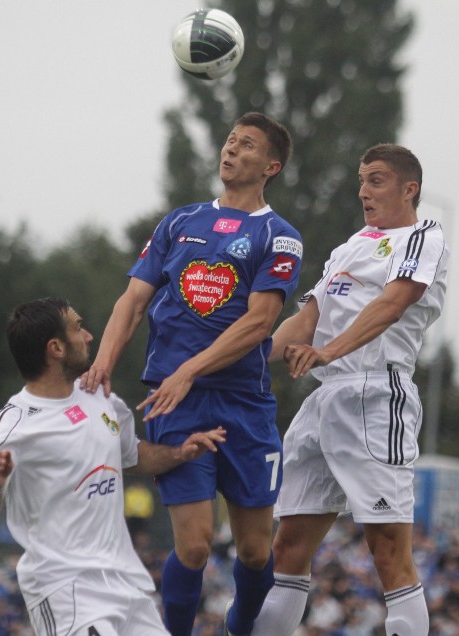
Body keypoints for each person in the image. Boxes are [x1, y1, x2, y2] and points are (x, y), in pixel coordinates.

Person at [79, 112, 301, 636]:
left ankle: (238, 627)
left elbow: (260, 322)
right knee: (195, 544)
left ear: (270, 166)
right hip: (175, 404)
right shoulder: (179, 222)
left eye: (246, 146)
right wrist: (104, 361)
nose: (230, 151)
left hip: (244, 404)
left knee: (252, 552)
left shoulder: (280, 236)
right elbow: (133, 299)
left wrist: (190, 369)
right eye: (229, 141)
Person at [252, 143, 450, 636]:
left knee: (388, 551)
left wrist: (328, 351)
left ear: (411, 189)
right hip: (326, 398)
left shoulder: (425, 237)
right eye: (361, 180)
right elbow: (307, 320)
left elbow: (394, 303)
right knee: (287, 546)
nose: (364, 190)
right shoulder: (351, 244)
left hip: (376, 395)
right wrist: (238, 357)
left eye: (376, 180)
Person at [0, 297, 226, 636]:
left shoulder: (100, 397)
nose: (89, 336)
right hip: (65, 588)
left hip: (127, 583)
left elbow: (131, 455)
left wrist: (180, 453)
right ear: (56, 348)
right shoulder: (14, 423)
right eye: (77, 327)